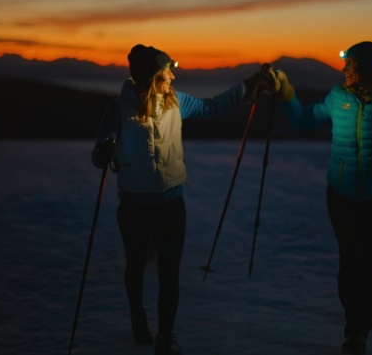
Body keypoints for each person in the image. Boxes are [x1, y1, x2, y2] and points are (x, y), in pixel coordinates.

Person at [91, 44, 276, 355]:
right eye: (166, 70)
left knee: (169, 272)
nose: (173, 75)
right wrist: (105, 150)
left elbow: (213, 106)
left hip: (171, 203)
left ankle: (165, 335)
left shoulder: (176, 103)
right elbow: (99, 158)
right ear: (151, 76)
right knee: (135, 266)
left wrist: (250, 84)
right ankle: (138, 316)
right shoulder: (118, 111)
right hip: (134, 205)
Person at [273, 41, 372, 355]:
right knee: (351, 260)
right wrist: (285, 91)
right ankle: (356, 332)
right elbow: (303, 120)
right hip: (340, 194)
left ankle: (369, 307)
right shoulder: (337, 98)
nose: (344, 70)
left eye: (350, 65)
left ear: (369, 69)